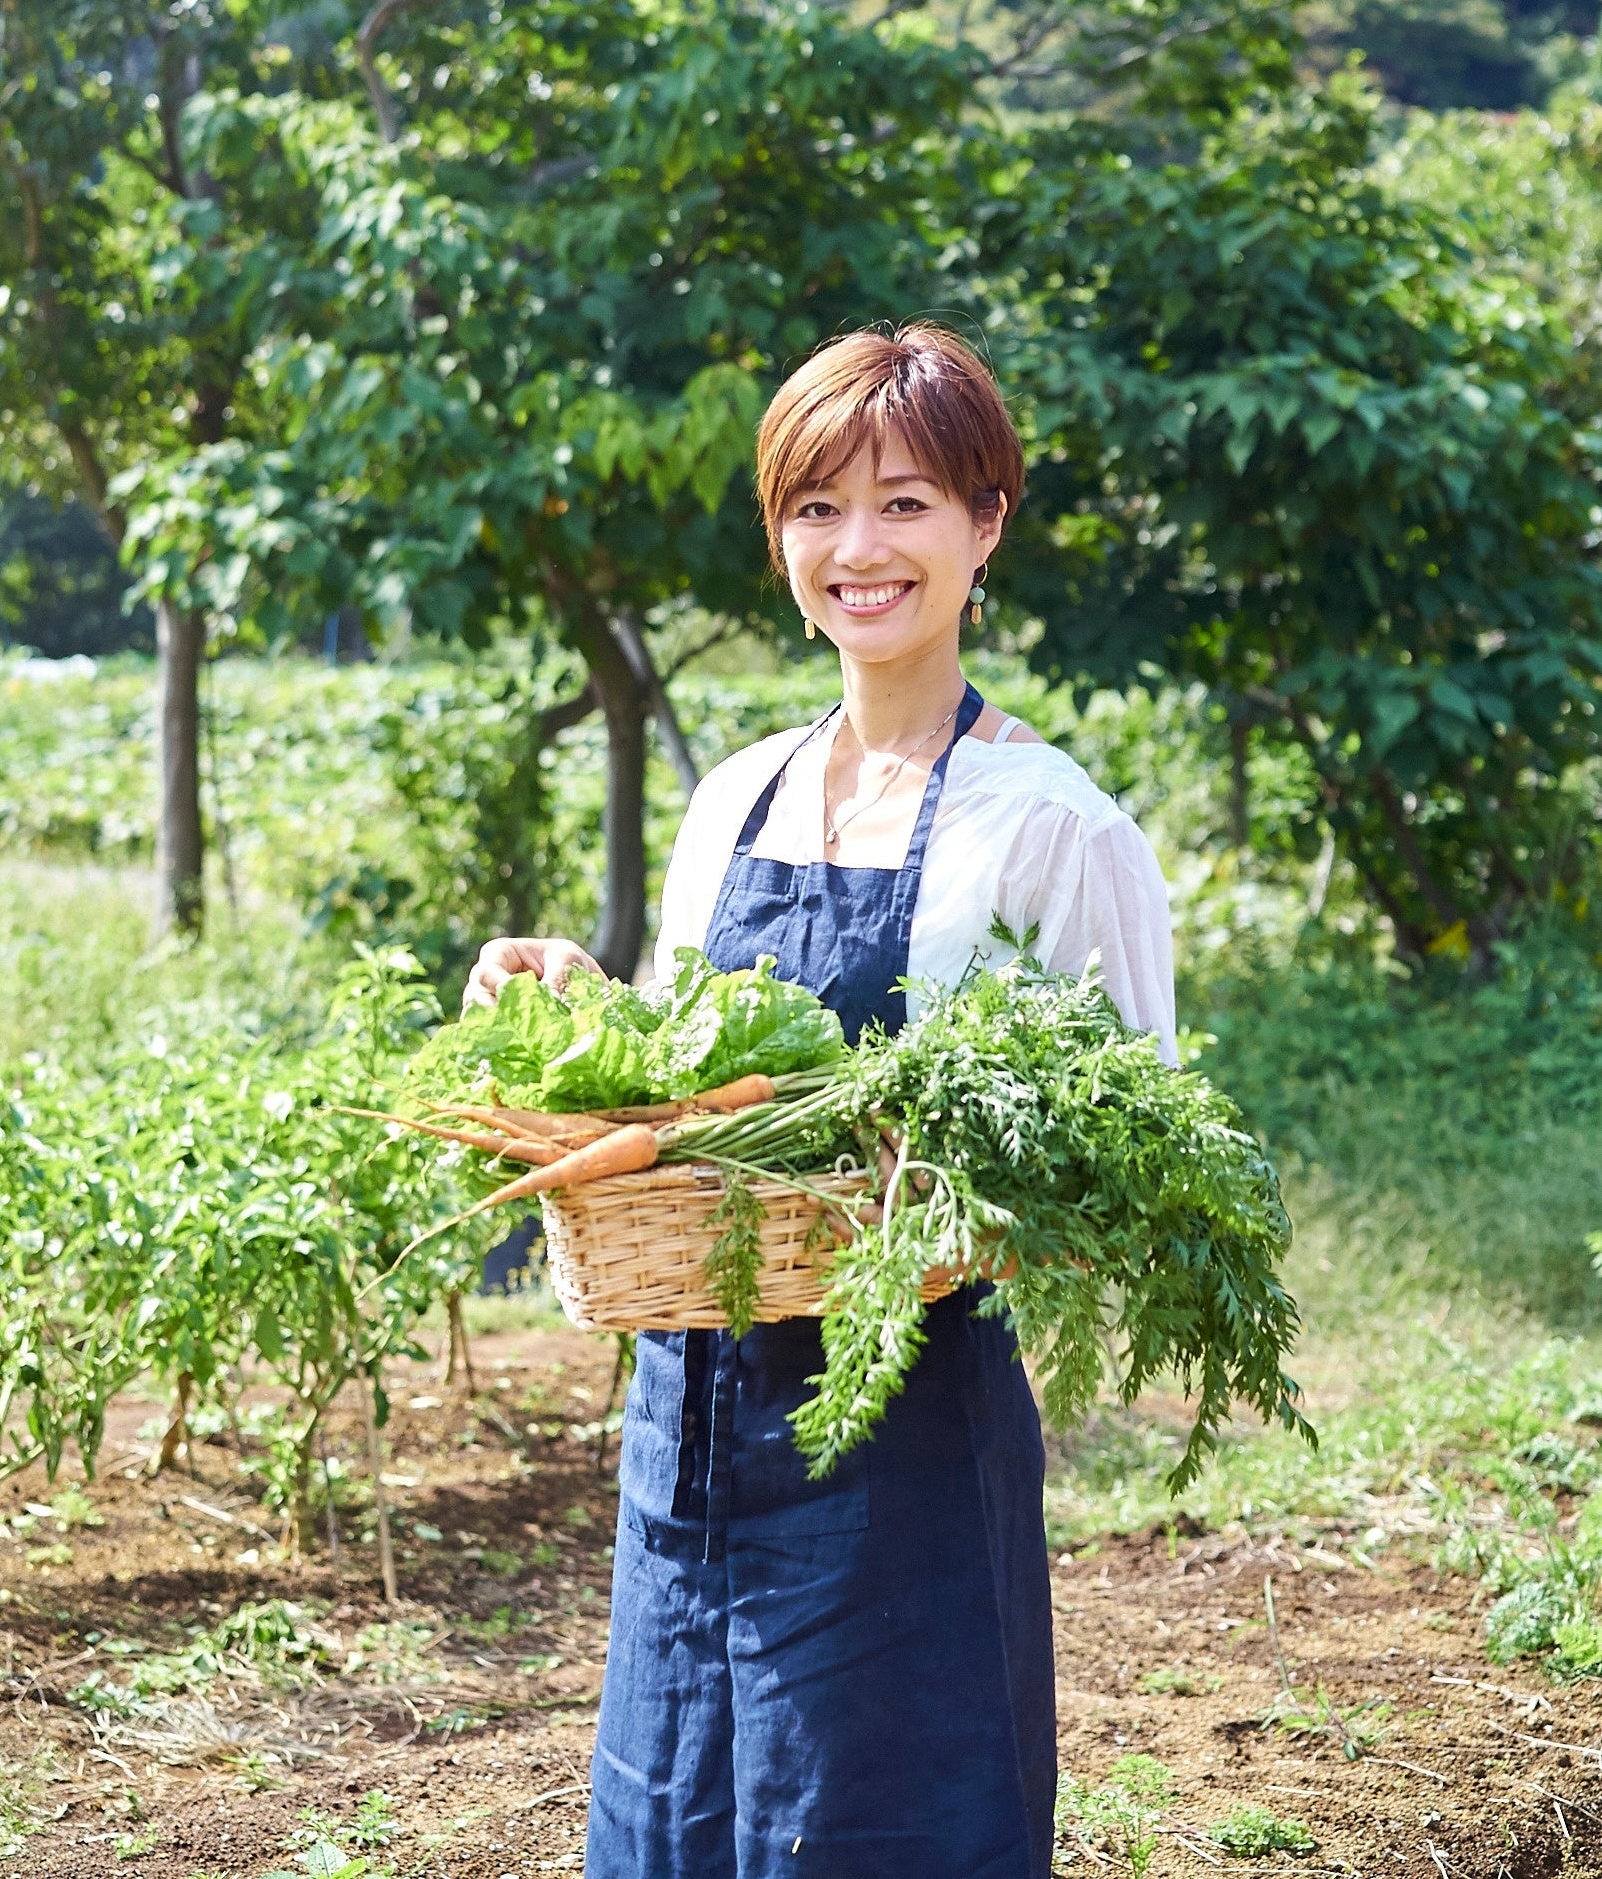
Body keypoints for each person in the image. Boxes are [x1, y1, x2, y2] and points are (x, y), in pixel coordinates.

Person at [467, 324, 1177, 1879]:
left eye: (906, 503)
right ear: (781, 541)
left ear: (986, 525)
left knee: (894, 1831)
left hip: (899, 1439)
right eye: (817, 508)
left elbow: (1125, 1159)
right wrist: (579, 1004)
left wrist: (925, 1194)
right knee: (673, 1824)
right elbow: (686, 1069)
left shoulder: (1049, 827)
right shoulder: (736, 795)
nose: (859, 549)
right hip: (688, 1424)